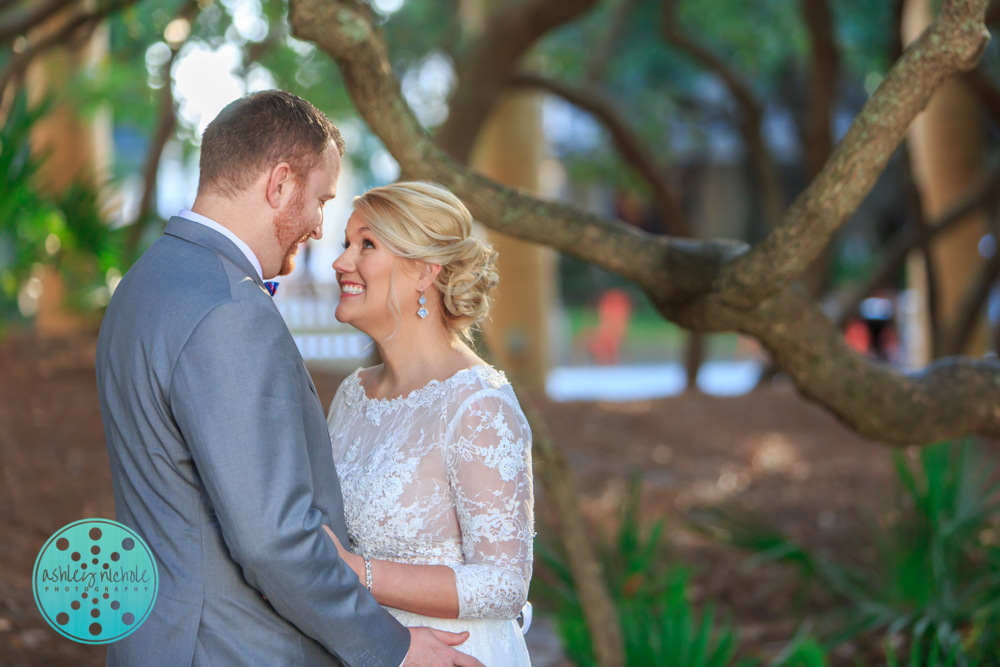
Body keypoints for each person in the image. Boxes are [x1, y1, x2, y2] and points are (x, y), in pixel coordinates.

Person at [96, 91, 483, 667]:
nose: (320, 226)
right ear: (279, 186)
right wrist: (390, 648)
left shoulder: (143, 284)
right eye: (321, 199)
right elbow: (272, 538)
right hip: (234, 649)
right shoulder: (229, 310)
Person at [325, 181, 535, 667]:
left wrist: (355, 572)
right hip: (373, 650)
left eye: (367, 245)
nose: (342, 262)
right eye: (347, 244)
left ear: (425, 270)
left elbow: (504, 583)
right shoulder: (353, 395)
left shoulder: (478, 403)